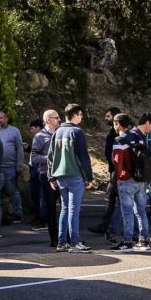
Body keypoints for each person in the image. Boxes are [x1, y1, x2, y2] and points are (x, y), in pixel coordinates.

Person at [48, 103, 93, 252]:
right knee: (73, 209)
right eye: (81, 115)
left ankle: (62, 242)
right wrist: (89, 177)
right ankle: (75, 242)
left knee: (65, 209)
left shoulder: (57, 132)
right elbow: (83, 157)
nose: (81, 117)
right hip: (75, 175)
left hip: (60, 176)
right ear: (75, 115)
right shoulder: (77, 132)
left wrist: (51, 177)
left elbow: (50, 156)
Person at [111, 114, 151, 251]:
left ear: (118, 124)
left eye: (115, 123)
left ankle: (127, 242)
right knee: (141, 211)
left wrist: (118, 177)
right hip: (140, 178)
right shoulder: (139, 136)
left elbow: (118, 161)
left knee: (127, 212)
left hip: (126, 179)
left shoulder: (120, 140)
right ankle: (144, 240)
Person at [91, 106, 124, 237]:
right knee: (110, 199)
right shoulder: (112, 133)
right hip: (113, 172)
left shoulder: (119, 135)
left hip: (118, 172)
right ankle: (105, 226)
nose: (105, 119)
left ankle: (114, 228)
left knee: (121, 201)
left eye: (108, 116)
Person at [30, 110, 61, 247]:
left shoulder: (61, 133)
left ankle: (68, 237)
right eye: (56, 118)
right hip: (47, 175)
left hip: (63, 175)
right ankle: (54, 238)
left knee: (66, 207)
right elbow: (34, 157)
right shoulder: (40, 136)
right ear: (48, 120)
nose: (59, 120)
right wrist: (50, 159)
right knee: (51, 207)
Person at [0, 109, 25, 223]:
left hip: (10, 167)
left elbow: (19, 149)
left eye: (1, 118)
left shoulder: (14, 131)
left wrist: (19, 165)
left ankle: (18, 213)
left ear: (6, 119)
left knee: (13, 190)